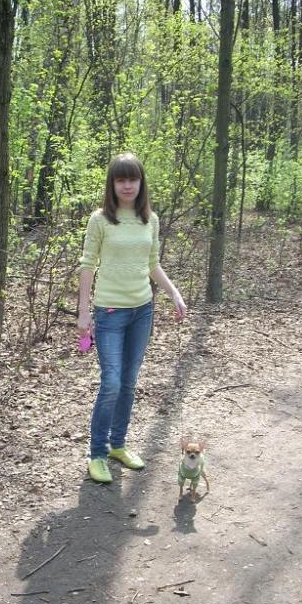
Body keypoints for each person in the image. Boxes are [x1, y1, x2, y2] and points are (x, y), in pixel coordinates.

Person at [77, 152, 187, 483]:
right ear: (112, 184)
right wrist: (83, 312)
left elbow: (152, 263)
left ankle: (118, 445)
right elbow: (87, 265)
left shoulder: (149, 219)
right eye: (121, 180)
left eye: (133, 179)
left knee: (128, 382)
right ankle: (97, 454)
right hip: (109, 312)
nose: (127, 185)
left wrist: (174, 293)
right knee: (111, 382)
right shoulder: (100, 220)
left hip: (142, 310)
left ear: (141, 183)